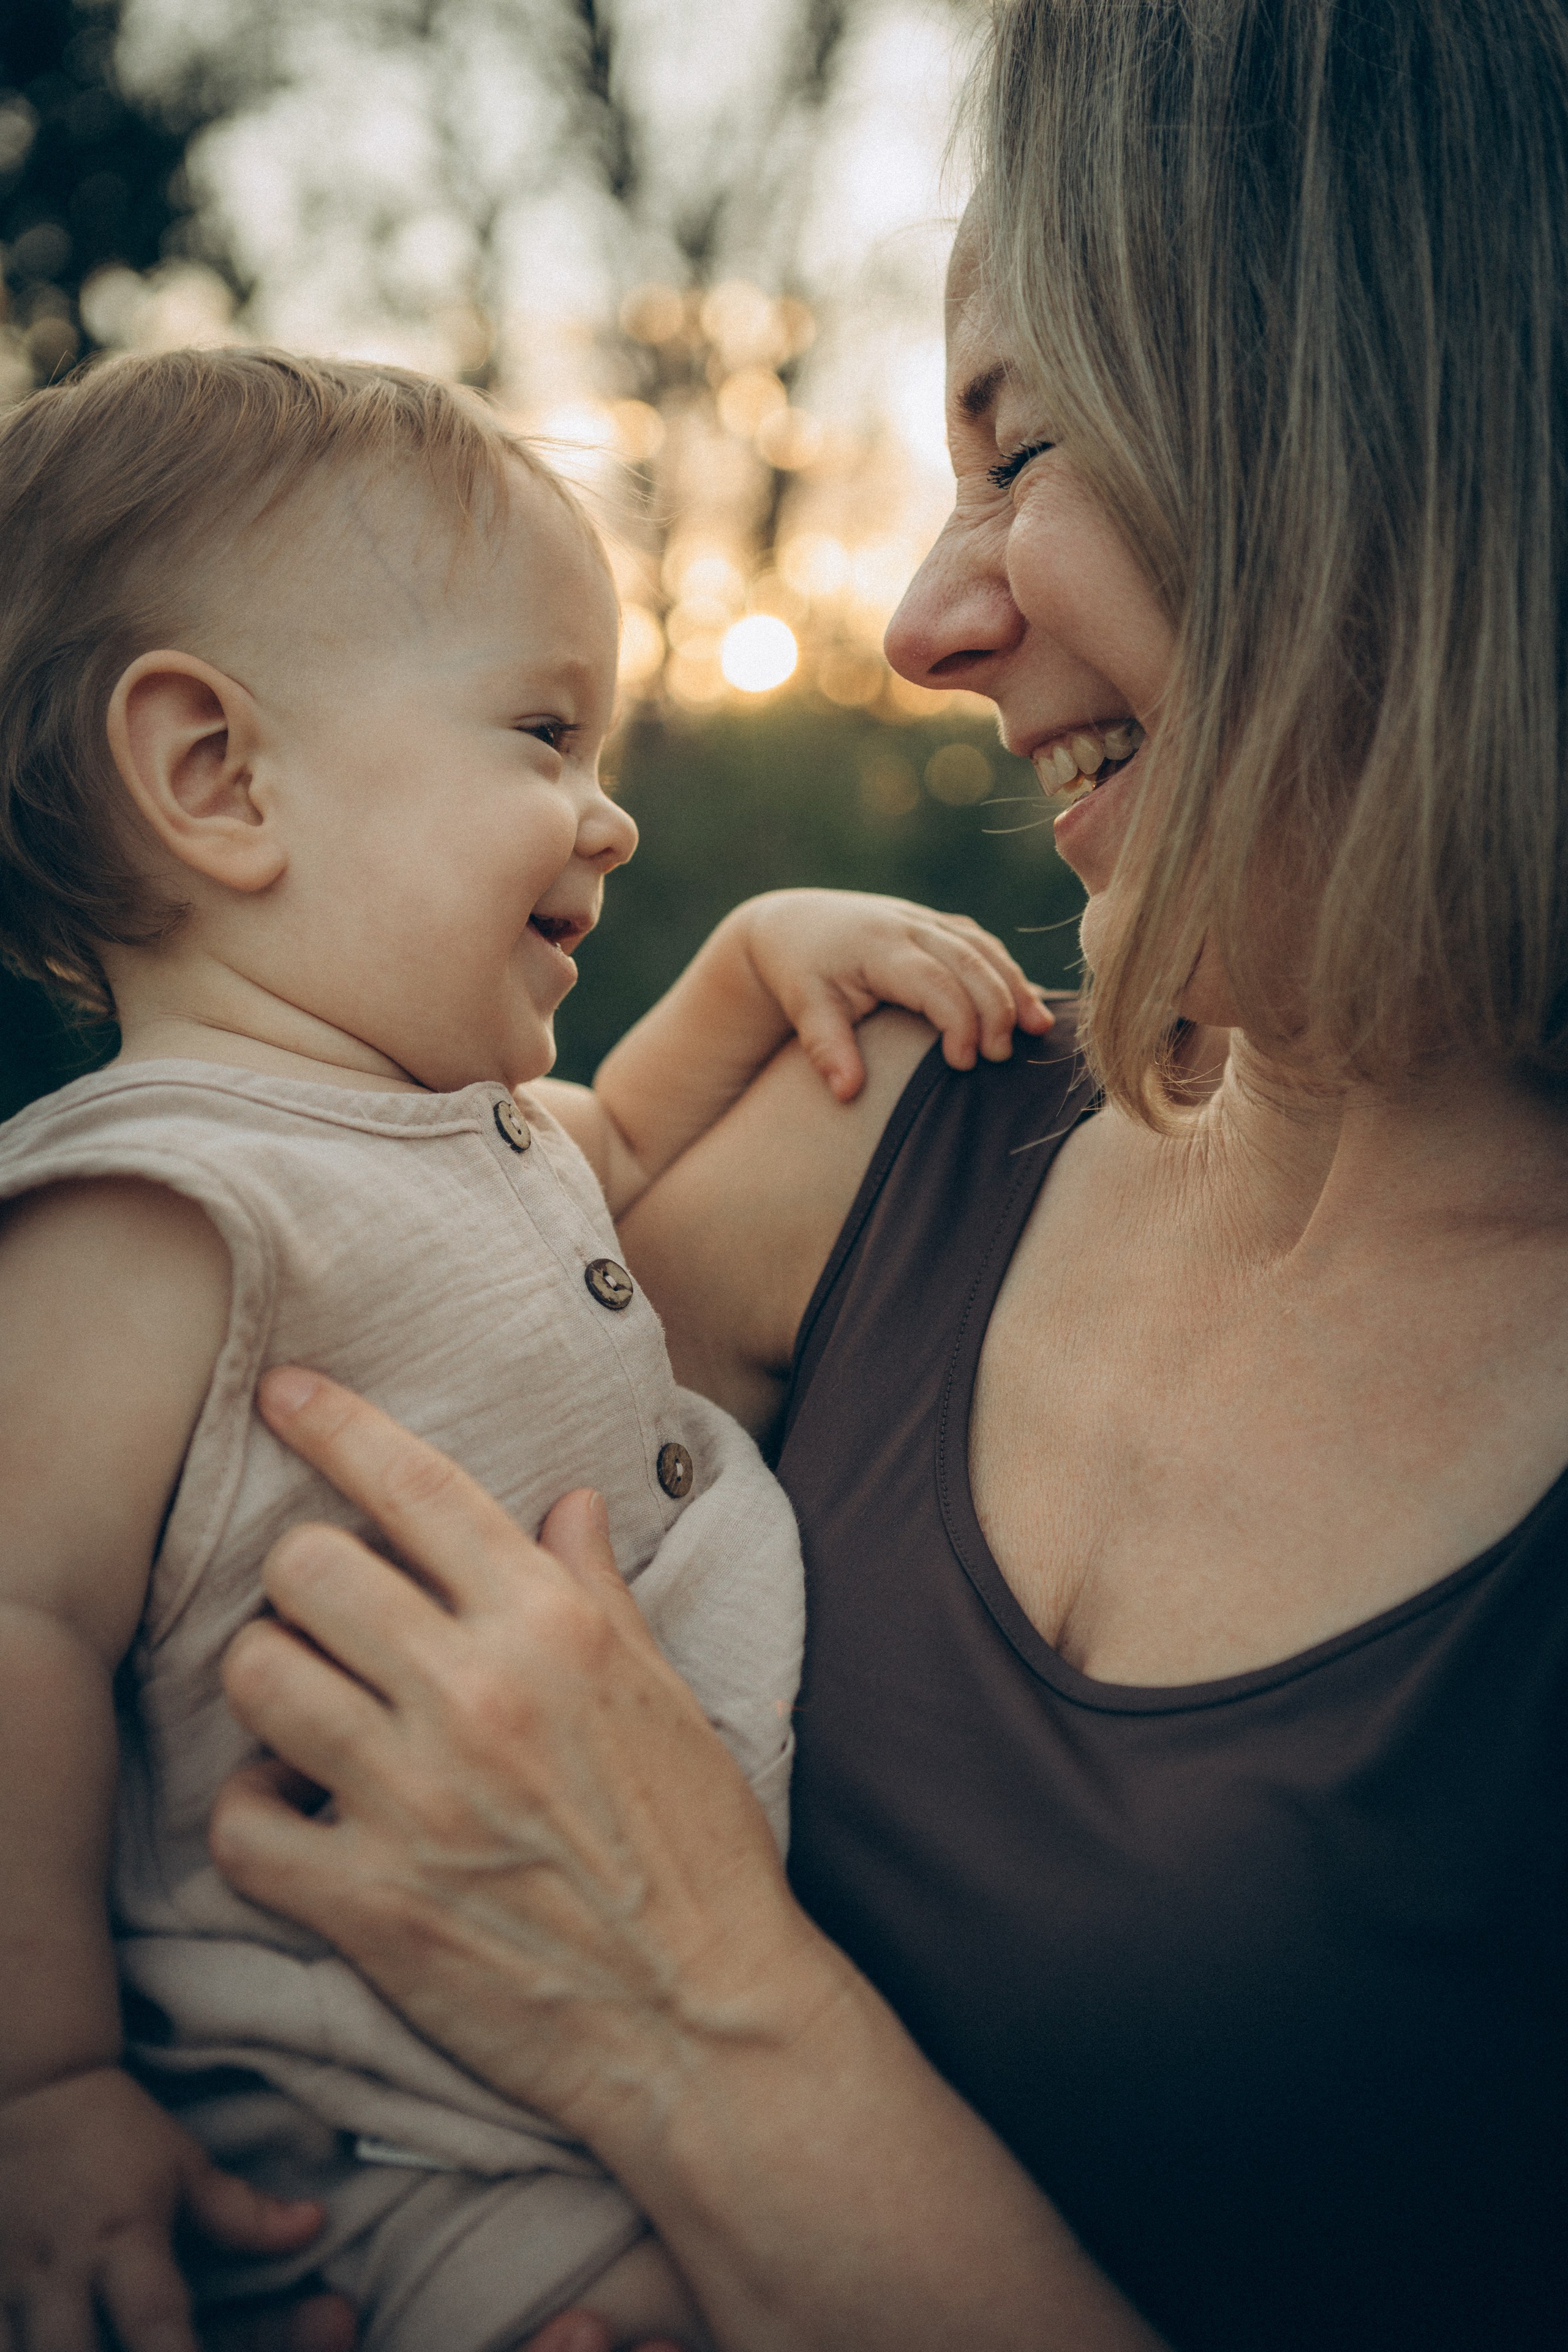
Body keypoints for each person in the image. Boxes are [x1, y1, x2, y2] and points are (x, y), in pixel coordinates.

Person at [186, 1, 1568, 2345]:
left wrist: (696, 2008)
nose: (928, 622)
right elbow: (183, 1518)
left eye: (1019, 455)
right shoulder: (893, 1120)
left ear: (1391, 443)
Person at [0, 350, 1051, 2352]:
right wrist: (38, 2090)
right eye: (548, 732)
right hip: (380, 2127)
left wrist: (755, 965)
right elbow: (12, 1629)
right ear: (219, 777)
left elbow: (626, 1149)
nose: (613, 817)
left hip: (586, 2047)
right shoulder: (155, 1211)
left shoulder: (442, 1129)